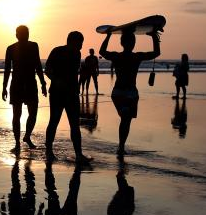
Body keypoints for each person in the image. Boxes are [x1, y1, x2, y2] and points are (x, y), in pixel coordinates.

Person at [100, 29, 161, 157]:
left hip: (118, 93)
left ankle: (121, 147)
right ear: (134, 43)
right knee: (126, 120)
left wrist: (108, 36)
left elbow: (102, 52)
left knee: (125, 119)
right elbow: (156, 52)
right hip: (131, 93)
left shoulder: (117, 56)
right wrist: (154, 37)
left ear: (121, 43)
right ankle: (121, 147)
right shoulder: (136, 56)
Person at [44, 31, 91, 164]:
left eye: (82, 43)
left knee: (74, 124)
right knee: (54, 121)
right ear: (71, 41)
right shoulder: (57, 51)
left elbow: (73, 73)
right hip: (57, 93)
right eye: (79, 43)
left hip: (72, 93)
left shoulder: (78, 53)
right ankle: (49, 151)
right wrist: (56, 80)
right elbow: (47, 69)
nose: (81, 46)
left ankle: (78, 154)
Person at [2, 25, 47, 152]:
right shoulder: (10, 49)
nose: (24, 36)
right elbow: (6, 69)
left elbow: (38, 65)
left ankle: (27, 136)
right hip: (16, 84)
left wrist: (43, 83)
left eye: (26, 34)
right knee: (17, 115)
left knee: (33, 113)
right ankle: (17, 143)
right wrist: (4, 87)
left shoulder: (34, 46)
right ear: (17, 35)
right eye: (22, 34)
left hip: (30, 83)